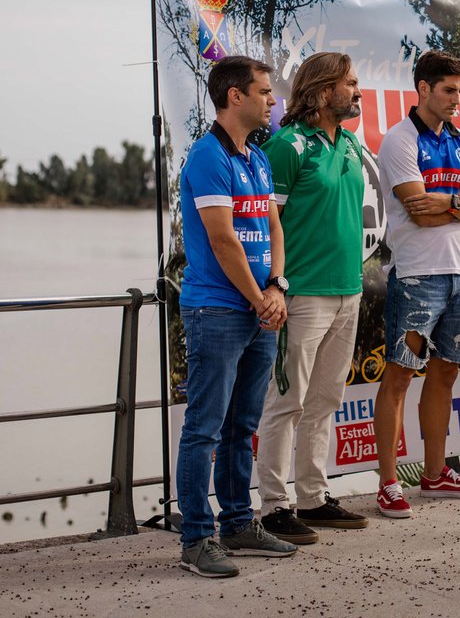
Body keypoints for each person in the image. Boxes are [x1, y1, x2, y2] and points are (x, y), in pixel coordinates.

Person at [175, 56, 297, 578]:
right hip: (217, 310)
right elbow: (223, 239)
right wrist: (257, 297)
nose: (273, 101)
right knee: (204, 427)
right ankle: (197, 540)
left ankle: (239, 524)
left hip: (257, 307)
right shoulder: (207, 156)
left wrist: (276, 286)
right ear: (234, 97)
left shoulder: (257, 156)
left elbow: (272, 224)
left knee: (242, 424)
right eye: (265, 92)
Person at [254, 52, 368, 545]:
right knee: (287, 402)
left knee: (325, 400)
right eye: (350, 83)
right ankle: (275, 507)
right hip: (301, 295)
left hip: (349, 291)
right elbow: (263, 224)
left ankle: (313, 498)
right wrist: (273, 286)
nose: (357, 91)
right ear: (324, 92)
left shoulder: (349, 143)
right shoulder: (287, 145)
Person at [373, 50, 460, 518]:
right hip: (417, 273)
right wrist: (458, 203)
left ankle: (435, 473)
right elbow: (416, 210)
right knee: (400, 375)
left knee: (446, 372)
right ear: (423, 89)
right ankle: (386, 483)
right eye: (449, 90)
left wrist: (449, 203)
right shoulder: (399, 140)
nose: (458, 99)